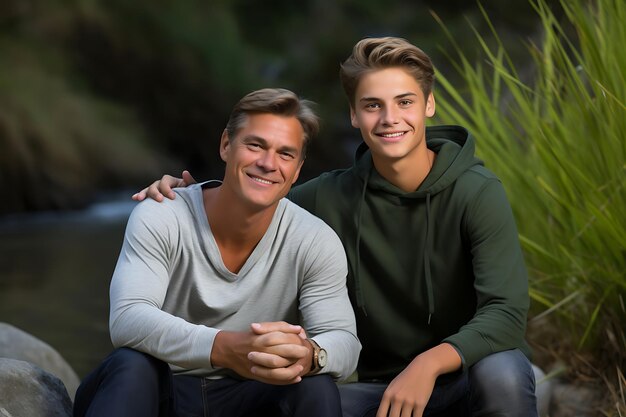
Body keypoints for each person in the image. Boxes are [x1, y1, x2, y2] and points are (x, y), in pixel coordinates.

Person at [135, 37, 538, 417]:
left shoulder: (477, 191)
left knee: (502, 372)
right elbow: (254, 197)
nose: (389, 119)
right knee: (304, 398)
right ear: (353, 114)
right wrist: (190, 195)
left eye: (404, 102)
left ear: (429, 105)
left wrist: (427, 365)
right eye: (372, 105)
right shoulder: (326, 198)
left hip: (463, 380)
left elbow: (506, 312)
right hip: (377, 392)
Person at [74, 88, 361, 417]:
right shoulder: (162, 213)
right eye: (255, 145)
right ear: (227, 145)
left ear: (297, 170)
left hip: (250, 396)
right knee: (132, 365)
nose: (268, 163)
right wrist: (225, 347)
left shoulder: (314, 240)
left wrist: (310, 354)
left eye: (285, 154)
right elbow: (127, 319)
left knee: (314, 385)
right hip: (160, 392)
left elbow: (344, 342)